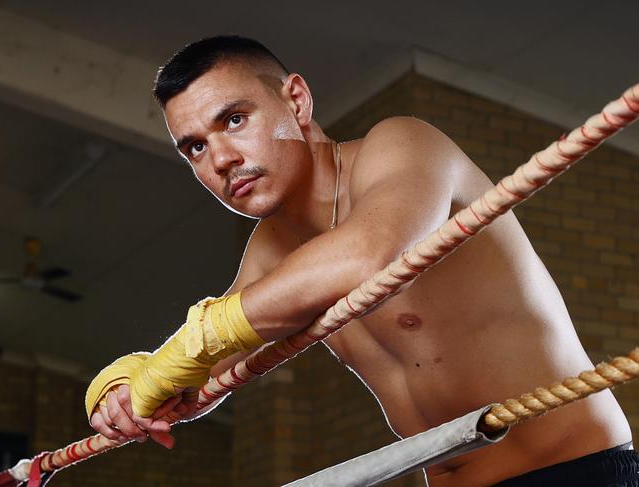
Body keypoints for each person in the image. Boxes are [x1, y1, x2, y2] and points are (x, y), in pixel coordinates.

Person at [86, 36, 636, 486]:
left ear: (296, 101)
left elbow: (372, 252)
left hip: (575, 468)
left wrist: (186, 349)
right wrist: (129, 389)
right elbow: (211, 367)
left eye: (234, 120)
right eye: (195, 148)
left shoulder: (400, 145)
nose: (222, 159)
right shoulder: (272, 248)